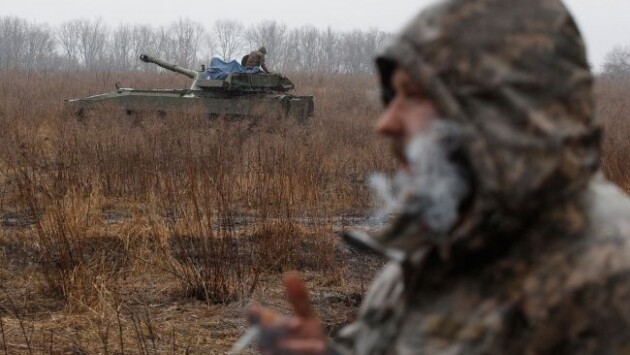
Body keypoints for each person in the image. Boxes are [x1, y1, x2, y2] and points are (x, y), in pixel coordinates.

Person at [247, 0, 630, 353]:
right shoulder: (436, 251)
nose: (385, 123)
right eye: (391, 95)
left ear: (498, 110)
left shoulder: (609, 275)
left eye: (413, 95)